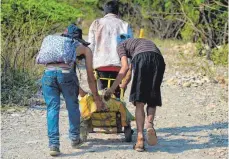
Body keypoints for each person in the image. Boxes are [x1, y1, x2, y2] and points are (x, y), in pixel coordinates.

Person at [40, 24, 104, 156]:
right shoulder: (82, 48)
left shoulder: (57, 45)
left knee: (52, 108)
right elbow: (90, 77)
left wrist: (80, 91)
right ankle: (75, 138)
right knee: (72, 106)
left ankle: (54, 145)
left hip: (48, 74)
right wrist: (96, 97)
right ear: (78, 39)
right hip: (66, 76)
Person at [104, 35, 166, 152]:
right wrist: (124, 84)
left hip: (142, 58)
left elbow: (125, 67)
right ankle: (149, 125)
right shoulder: (139, 42)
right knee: (152, 96)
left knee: (139, 102)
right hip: (158, 59)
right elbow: (131, 69)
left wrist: (112, 89)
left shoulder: (120, 45)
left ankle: (140, 139)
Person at [88, 0, 133, 98]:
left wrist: (89, 65)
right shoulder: (125, 25)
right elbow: (130, 48)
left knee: (101, 94)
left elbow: (90, 46)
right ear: (117, 12)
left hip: (100, 65)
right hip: (120, 67)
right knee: (117, 96)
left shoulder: (96, 23)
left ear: (105, 12)